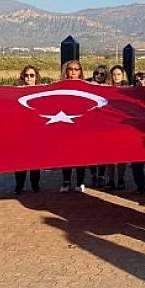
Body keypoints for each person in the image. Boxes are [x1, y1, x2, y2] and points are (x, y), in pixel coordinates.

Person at [60, 60, 88, 193]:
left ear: (80, 72)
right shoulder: (59, 87)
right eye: (70, 69)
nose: (73, 72)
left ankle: (80, 181)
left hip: (81, 126)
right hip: (65, 125)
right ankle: (66, 181)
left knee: (81, 155)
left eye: (76, 69)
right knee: (65, 155)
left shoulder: (86, 86)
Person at [14, 66, 42, 194]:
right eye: (26, 75)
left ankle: (35, 185)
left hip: (36, 131)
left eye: (32, 75)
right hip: (20, 131)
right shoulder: (16, 92)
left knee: (35, 161)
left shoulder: (42, 91)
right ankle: (19, 185)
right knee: (19, 161)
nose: (29, 78)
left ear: (36, 77)